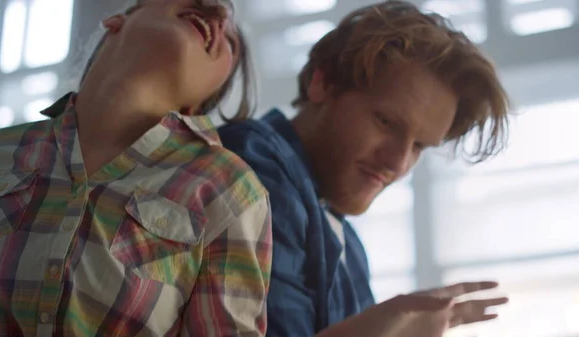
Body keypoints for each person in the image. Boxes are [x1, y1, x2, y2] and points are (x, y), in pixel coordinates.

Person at [0, 0, 272, 336]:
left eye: (229, 42)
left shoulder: (229, 190)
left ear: (204, 97)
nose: (220, 15)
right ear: (117, 20)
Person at [219, 1, 512, 336]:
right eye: (386, 122)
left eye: (418, 146)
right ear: (323, 82)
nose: (397, 163)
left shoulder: (349, 248)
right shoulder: (253, 167)